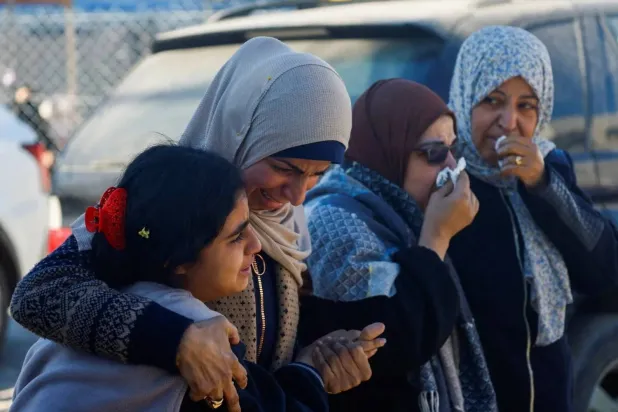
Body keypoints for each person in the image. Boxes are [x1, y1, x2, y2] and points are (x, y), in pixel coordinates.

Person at [10, 36, 354, 411]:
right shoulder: (168, 209)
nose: (298, 194)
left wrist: (317, 362)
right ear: (244, 131)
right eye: (284, 168)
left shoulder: (287, 224)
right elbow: (37, 296)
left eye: (318, 174)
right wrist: (175, 339)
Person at [11, 144, 385, 412]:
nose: (256, 245)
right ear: (179, 258)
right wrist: (312, 376)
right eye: (237, 235)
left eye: (318, 174)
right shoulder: (204, 340)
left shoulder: (70, 324)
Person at [446, 26, 618, 412]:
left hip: (548, 385)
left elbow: (604, 268)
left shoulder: (549, 165)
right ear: (464, 97)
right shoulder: (445, 180)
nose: (509, 122)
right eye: (492, 100)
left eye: (526, 105)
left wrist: (543, 185)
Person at [298, 79, 497, 412]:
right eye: (433, 153)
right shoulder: (334, 219)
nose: (450, 167)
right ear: (386, 149)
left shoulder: (400, 214)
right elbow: (400, 338)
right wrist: (437, 238)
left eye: (452, 149)